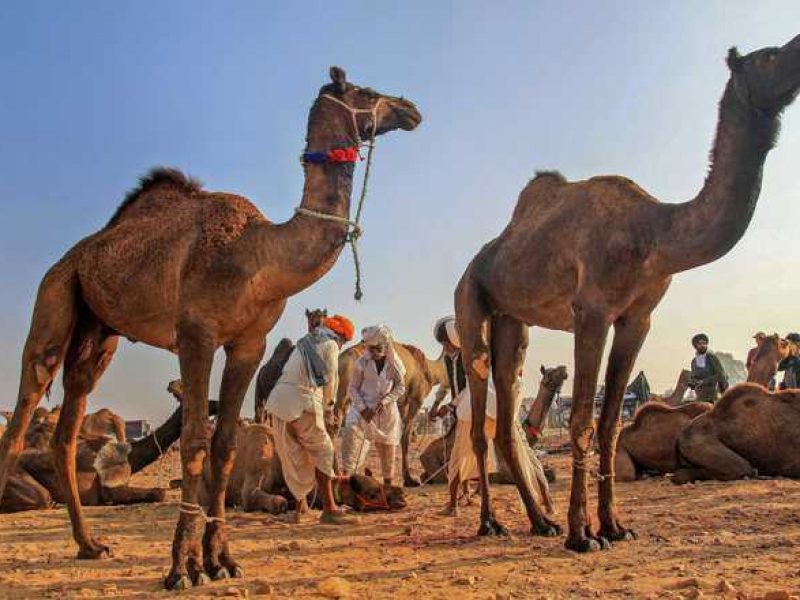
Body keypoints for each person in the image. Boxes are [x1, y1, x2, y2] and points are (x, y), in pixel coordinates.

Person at [265, 314, 356, 524]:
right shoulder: (331, 345)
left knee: (294, 456)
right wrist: (329, 408)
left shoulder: (305, 342)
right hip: (303, 399)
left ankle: (301, 508)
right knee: (324, 451)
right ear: (341, 336)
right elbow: (331, 377)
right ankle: (330, 509)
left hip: (278, 401)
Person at [432, 316, 499, 516]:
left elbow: (472, 387)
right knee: (468, 455)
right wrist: (442, 403)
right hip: (462, 409)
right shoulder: (448, 359)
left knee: (459, 458)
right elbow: (447, 383)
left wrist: (450, 406)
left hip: (472, 408)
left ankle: (453, 505)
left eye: (446, 342)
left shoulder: (470, 357)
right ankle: (466, 495)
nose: (445, 346)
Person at [341, 325, 406, 486]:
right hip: (363, 409)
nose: (374, 352)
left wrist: (385, 401)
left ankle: (388, 486)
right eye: (371, 349)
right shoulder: (361, 363)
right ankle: (347, 479)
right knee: (352, 433)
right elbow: (352, 388)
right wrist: (363, 409)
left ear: (386, 347)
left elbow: (400, 387)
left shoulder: (394, 365)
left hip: (386, 412)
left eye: (377, 348)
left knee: (388, 450)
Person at [688, 333, 729, 403]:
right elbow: (693, 376)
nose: (703, 345)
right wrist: (693, 382)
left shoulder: (711, 357)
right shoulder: (694, 361)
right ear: (696, 345)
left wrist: (704, 381)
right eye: (700, 344)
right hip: (699, 394)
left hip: (713, 393)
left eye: (704, 343)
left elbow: (720, 374)